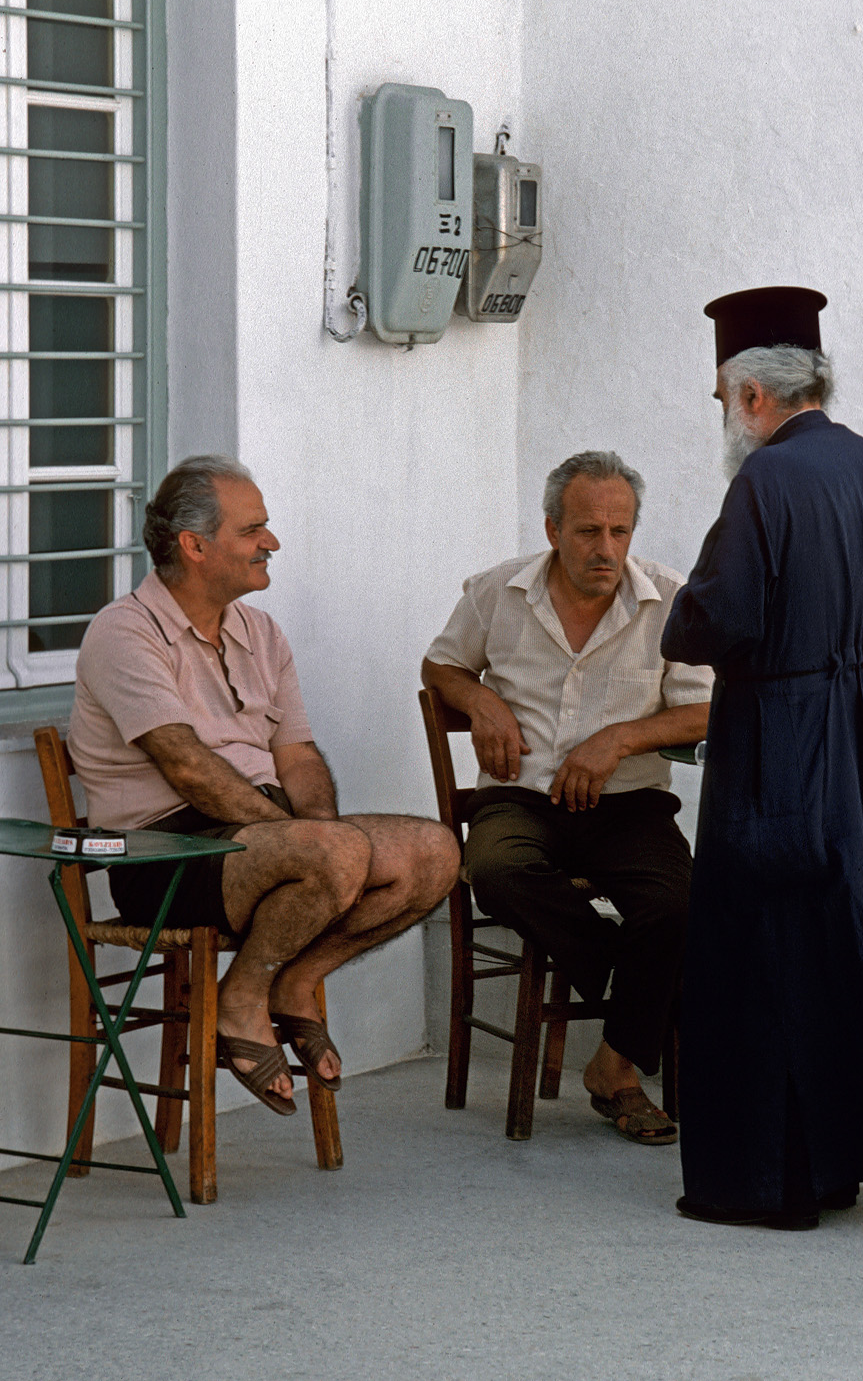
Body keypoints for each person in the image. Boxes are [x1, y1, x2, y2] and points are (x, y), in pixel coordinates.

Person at [661, 285, 863, 1228]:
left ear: (753, 395)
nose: (725, 419)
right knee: (852, 928)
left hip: (782, 734)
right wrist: (852, 650)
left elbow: (717, 618)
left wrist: (695, 625)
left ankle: (769, 1181)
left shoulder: (766, 481)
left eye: (722, 401)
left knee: (768, 941)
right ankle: (848, 1158)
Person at [69, 456, 459, 1114]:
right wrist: (314, 845)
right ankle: (241, 1002)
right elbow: (187, 767)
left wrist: (321, 834)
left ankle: (289, 981)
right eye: (253, 530)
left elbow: (298, 755)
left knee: (436, 855)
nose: (270, 543)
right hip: (160, 858)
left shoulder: (260, 631)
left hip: (256, 836)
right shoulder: (125, 631)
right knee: (335, 855)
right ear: (195, 546)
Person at [422, 451, 712, 1143]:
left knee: (680, 901)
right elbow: (440, 665)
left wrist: (615, 741)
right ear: (552, 529)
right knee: (493, 869)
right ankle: (637, 991)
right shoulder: (498, 592)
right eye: (588, 531)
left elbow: (706, 711)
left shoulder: (672, 601)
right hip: (520, 801)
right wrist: (480, 698)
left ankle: (613, 1064)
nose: (605, 548)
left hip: (629, 806)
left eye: (620, 531)